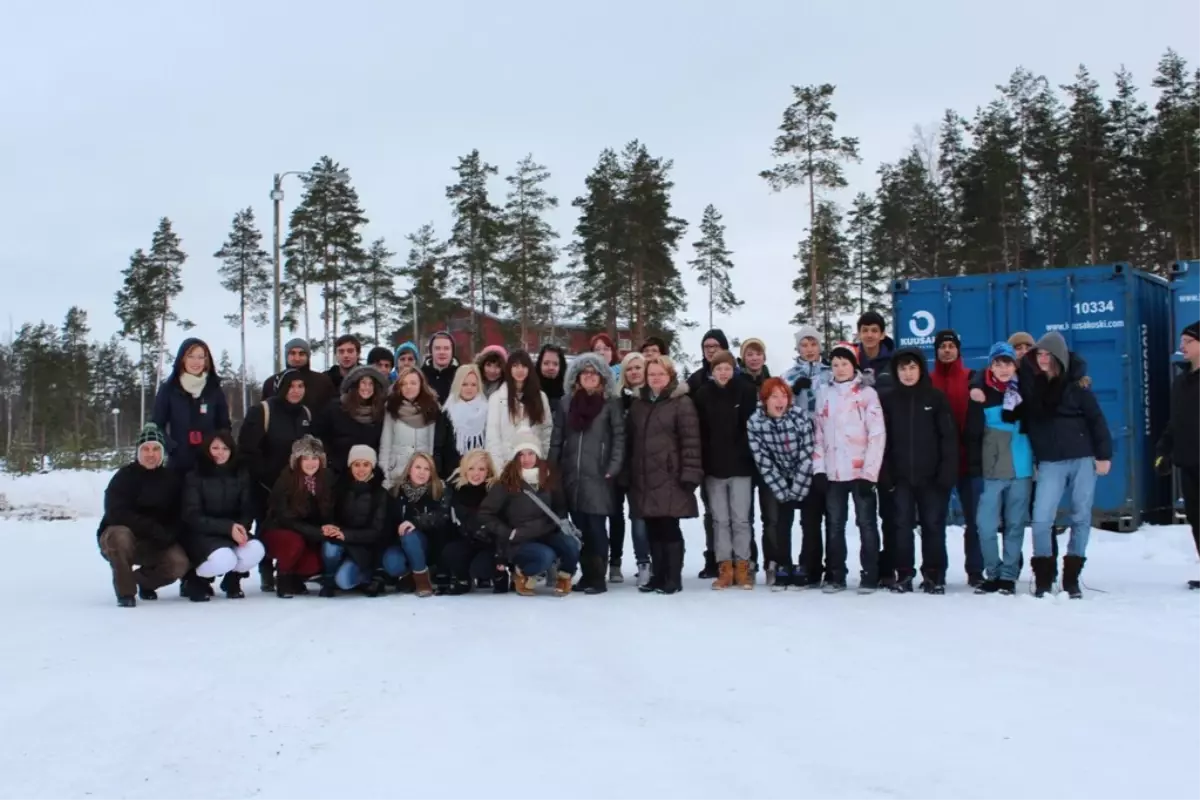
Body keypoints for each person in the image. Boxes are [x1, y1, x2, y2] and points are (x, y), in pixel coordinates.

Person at [1020, 331, 1112, 598]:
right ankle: (1044, 578)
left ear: (1059, 356)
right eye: (1039, 354)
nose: (1043, 359)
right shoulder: (1031, 385)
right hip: (1050, 461)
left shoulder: (1078, 386)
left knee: (1081, 516)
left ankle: (1072, 579)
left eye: (1048, 354)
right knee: (1041, 520)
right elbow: (994, 373)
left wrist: (1103, 455)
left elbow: (1097, 421)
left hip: (1082, 458)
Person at [880, 349, 958, 594]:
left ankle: (934, 574)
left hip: (932, 477)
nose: (907, 373)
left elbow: (948, 438)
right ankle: (904, 574)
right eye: (903, 368)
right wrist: (886, 473)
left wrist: (947, 471)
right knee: (901, 525)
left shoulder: (936, 398)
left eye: (912, 367)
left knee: (933, 525)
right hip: (900, 477)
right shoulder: (889, 400)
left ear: (921, 369)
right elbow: (883, 439)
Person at [812, 343, 886, 593]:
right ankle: (835, 574)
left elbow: (877, 434)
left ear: (853, 365)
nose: (840, 368)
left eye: (844, 363)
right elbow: (819, 433)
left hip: (860, 471)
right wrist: (819, 469)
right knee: (834, 523)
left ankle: (870, 574)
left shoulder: (866, 394)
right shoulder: (824, 393)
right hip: (833, 472)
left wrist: (869, 474)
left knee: (866, 522)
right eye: (835, 364)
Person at [549, 353, 624, 594]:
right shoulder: (566, 403)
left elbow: (619, 439)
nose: (589, 377)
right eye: (585, 373)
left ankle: (598, 576)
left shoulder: (611, 403)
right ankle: (586, 574)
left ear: (602, 378)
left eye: (594, 373)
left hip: (600, 476)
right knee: (578, 528)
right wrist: (552, 467)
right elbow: (557, 439)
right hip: (572, 475)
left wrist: (612, 467)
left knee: (597, 529)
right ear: (577, 377)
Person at [627, 356, 702, 594]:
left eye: (660, 374)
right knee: (652, 527)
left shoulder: (681, 403)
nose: (655, 378)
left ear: (669, 375)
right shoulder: (639, 404)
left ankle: (673, 577)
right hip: (644, 477)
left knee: (669, 527)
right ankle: (658, 575)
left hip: (671, 476)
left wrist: (690, 473)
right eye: (652, 374)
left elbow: (691, 441)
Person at [236, 369, 315, 592]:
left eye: (300, 386)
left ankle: (289, 570)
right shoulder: (263, 411)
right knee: (264, 526)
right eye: (291, 386)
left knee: (292, 527)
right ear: (281, 388)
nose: (296, 391)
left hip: (293, 485)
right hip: (263, 484)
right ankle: (263, 569)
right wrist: (264, 477)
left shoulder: (305, 414)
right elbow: (247, 449)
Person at [966, 343, 1033, 595]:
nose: (1003, 369)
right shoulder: (981, 392)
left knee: (1015, 525)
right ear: (990, 366)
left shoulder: (1026, 389)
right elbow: (973, 432)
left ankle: (1008, 576)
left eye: (1008, 363)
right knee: (985, 525)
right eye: (998, 363)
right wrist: (975, 465)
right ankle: (992, 573)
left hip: (1022, 468)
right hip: (992, 470)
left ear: (1015, 365)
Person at [97, 424, 189, 607]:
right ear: (138, 452)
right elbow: (116, 512)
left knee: (179, 563)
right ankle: (126, 592)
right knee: (120, 536)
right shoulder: (124, 477)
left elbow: (180, 513)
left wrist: (169, 534)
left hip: (154, 541)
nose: (151, 454)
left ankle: (144, 582)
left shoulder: (171, 480)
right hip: (121, 538)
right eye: (145, 449)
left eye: (156, 449)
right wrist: (151, 527)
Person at [477, 435, 580, 596]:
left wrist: (561, 523)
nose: (526, 459)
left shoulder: (549, 475)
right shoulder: (507, 482)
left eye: (530, 453)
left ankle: (564, 577)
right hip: (520, 537)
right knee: (546, 556)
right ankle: (522, 573)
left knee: (571, 544)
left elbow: (560, 506)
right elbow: (485, 513)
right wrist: (508, 533)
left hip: (547, 531)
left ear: (538, 454)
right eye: (521, 454)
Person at [693, 349, 758, 590]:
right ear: (712, 371)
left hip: (741, 466)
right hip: (714, 468)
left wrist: (745, 454)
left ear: (734, 370)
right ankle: (724, 567)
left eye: (727, 368)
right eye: (718, 368)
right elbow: (699, 431)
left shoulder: (746, 391)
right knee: (720, 520)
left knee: (741, 519)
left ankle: (743, 565)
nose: (723, 372)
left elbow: (751, 427)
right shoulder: (703, 395)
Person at [747, 378, 816, 591]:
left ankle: (808, 566)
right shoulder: (755, 422)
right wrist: (783, 490)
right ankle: (783, 564)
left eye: (784, 396)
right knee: (779, 522)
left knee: (810, 523)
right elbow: (763, 460)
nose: (780, 401)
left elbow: (808, 453)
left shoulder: (800, 417)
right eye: (774, 396)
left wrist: (798, 487)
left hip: (804, 474)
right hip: (777, 476)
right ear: (765, 400)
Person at [180, 431, 262, 602]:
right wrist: (227, 528)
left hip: (233, 530)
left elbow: (247, 508)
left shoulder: (241, 474)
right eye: (215, 448)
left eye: (225, 448)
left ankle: (232, 580)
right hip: (203, 534)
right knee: (225, 559)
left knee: (256, 550)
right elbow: (192, 515)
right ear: (207, 450)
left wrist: (241, 527)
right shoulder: (194, 476)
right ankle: (196, 579)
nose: (220, 452)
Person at [929, 329, 983, 587]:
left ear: (958, 350)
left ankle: (976, 571)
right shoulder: (927, 381)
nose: (947, 350)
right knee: (935, 520)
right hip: (938, 465)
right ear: (936, 351)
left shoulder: (972, 378)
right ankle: (936, 572)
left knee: (975, 521)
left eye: (951, 346)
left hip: (968, 462)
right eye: (942, 346)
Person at [782, 325, 832, 586]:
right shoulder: (788, 375)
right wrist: (791, 391)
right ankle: (809, 565)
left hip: (832, 451)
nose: (809, 349)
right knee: (809, 515)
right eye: (804, 344)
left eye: (813, 343)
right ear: (798, 348)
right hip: (801, 453)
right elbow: (776, 405)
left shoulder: (831, 372)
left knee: (833, 516)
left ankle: (834, 567)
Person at [261, 435, 336, 599]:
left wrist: (328, 526)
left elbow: (329, 510)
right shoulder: (286, 480)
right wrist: (317, 532)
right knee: (294, 542)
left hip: (309, 533)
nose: (311, 463)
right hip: (280, 531)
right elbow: (285, 518)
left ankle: (296, 577)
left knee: (314, 564)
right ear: (297, 461)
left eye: (315, 458)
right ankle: (283, 577)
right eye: (306, 458)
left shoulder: (326, 479)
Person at [1156, 319, 1200, 590]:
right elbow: (1176, 421)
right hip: (1189, 462)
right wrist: (1164, 450)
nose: (1181, 346)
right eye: (1182, 341)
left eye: (1188, 342)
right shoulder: (1182, 382)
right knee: (1197, 519)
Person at [151, 338, 231, 473]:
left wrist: (218, 449)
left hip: (209, 465)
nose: (196, 362)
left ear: (207, 360)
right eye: (191, 356)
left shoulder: (214, 389)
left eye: (201, 357)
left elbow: (224, 425)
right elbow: (157, 425)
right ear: (182, 359)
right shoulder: (169, 389)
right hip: (179, 466)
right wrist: (172, 448)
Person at [687, 327, 730, 579]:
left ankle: (743, 558)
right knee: (712, 511)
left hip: (736, 458)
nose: (711, 350)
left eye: (715, 346)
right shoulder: (697, 379)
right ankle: (713, 556)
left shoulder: (736, 377)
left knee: (738, 514)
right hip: (707, 456)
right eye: (707, 347)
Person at [322, 445, 388, 597]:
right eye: (356, 464)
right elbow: (331, 515)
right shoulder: (340, 487)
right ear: (350, 466)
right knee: (329, 546)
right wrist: (331, 527)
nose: (361, 469)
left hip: (364, 549)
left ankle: (366, 576)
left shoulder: (380, 494)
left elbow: (377, 531)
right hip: (342, 542)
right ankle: (328, 579)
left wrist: (346, 535)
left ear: (372, 466)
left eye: (366, 464)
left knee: (344, 581)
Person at [382, 452, 450, 597]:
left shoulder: (439, 491)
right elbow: (386, 524)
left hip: (428, 546)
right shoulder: (394, 492)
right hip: (399, 544)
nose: (422, 472)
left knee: (409, 534)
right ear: (409, 469)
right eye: (418, 467)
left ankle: (422, 580)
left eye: (427, 469)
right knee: (392, 564)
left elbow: (441, 517)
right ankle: (410, 576)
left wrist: (416, 522)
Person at [439, 450, 505, 594]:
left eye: (481, 469)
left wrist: (501, 557)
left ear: (488, 471)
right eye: (471, 468)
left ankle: (500, 576)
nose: (476, 473)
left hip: (490, 543)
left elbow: (502, 526)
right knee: (450, 551)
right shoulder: (456, 489)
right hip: (468, 538)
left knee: (481, 568)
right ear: (464, 469)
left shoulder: (496, 490)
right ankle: (462, 579)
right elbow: (446, 518)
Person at [612, 351, 652, 586]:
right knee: (616, 515)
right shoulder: (616, 400)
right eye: (630, 368)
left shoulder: (652, 397)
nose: (634, 372)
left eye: (638, 367)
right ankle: (614, 563)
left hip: (644, 466)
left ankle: (644, 562)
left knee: (640, 516)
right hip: (619, 465)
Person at [379, 367, 453, 486]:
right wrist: (384, 478)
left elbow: (432, 446)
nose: (408, 387)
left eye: (413, 383)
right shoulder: (392, 407)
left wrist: (431, 475)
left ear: (421, 385)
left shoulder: (431, 408)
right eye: (404, 384)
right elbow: (386, 446)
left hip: (422, 476)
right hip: (397, 474)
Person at [485, 350, 553, 476]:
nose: (519, 370)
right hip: (507, 465)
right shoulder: (497, 398)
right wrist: (499, 469)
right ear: (509, 369)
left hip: (534, 466)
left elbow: (546, 431)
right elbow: (492, 437)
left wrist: (541, 459)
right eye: (515, 366)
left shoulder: (540, 397)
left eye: (524, 366)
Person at [315, 365, 388, 479]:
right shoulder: (335, 408)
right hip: (338, 474)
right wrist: (331, 462)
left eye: (371, 384)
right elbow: (321, 437)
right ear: (355, 385)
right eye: (363, 383)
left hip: (368, 475)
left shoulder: (380, 413)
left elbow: (381, 445)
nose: (367, 387)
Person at [261, 338, 335, 413]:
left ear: (308, 356)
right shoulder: (272, 383)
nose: (297, 358)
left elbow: (331, 412)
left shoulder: (322, 382)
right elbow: (265, 411)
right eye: (292, 353)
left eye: (301, 354)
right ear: (287, 356)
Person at [443, 364, 489, 467]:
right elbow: (441, 447)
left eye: (473, 385)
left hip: (480, 469)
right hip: (453, 470)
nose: (469, 388)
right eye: (464, 384)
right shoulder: (448, 411)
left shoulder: (486, 410)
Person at [421, 331, 459, 404]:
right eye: (437, 348)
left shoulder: (461, 375)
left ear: (452, 352)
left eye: (446, 348)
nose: (442, 352)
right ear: (431, 351)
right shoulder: (421, 376)